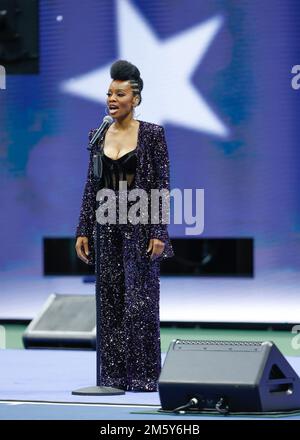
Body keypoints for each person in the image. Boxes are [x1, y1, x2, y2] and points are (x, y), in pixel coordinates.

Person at [75, 59, 174, 392]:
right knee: (110, 299)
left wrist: (159, 232)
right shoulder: (98, 134)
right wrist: (83, 230)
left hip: (140, 226)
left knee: (140, 301)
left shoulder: (152, 135)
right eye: (108, 94)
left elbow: (161, 184)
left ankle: (144, 376)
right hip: (106, 227)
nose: (112, 99)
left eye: (119, 94)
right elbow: (92, 186)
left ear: (135, 98)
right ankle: (113, 376)